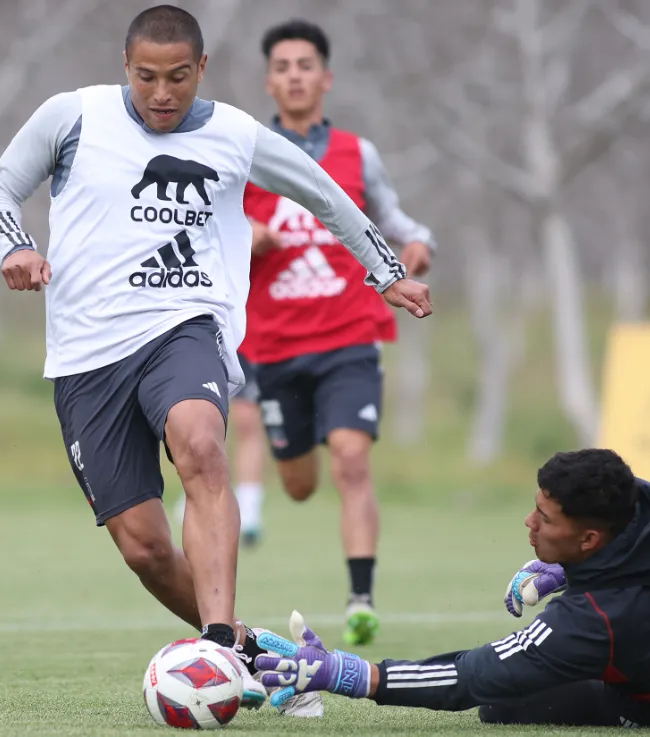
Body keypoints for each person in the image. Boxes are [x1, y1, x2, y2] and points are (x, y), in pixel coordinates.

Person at [0, 3, 430, 716]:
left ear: (202, 69)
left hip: (186, 328)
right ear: (126, 67)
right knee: (144, 548)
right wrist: (16, 248)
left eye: (178, 78)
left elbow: (323, 193)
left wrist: (385, 270)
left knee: (200, 443)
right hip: (87, 355)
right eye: (147, 77)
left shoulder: (235, 134)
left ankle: (216, 643)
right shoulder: (74, 116)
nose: (162, 93)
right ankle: (256, 655)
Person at [253, 449, 650, 730]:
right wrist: (568, 569)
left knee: (503, 704)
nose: (528, 522)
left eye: (545, 517)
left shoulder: (589, 622)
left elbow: (470, 677)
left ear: (591, 537)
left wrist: (348, 673)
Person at [242, 19, 437, 647]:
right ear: (269, 80)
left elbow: (400, 221)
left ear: (325, 78)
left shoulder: (359, 154)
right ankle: (292, 458)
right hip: (273, 346)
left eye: (306, 65)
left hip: (351, 335)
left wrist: (416, 246)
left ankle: (361, 597)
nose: (294, 75)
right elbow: (206, 231)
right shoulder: (241, 152)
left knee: (353, 459)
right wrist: (246, 239)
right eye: (282, 66)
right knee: (299, 486)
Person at [174, 353, 265, 548]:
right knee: (204, 418)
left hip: (245, 341)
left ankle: (249, 510)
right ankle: (195, 491)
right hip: (205, 335)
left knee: (246, 419)